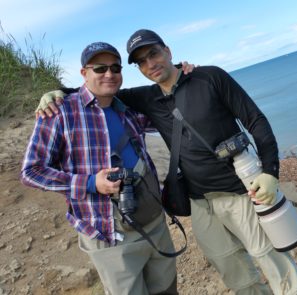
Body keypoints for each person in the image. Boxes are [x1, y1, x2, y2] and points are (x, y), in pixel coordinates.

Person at [37, 30, 297, 295]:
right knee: (231, 269)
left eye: (154, 53)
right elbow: (100, 90)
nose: (151, 63)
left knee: (272, 261)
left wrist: (270, 171)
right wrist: (58, 93)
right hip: (199, 201)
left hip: (240, 191)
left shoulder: (209, 77)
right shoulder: (147, 98)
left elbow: (255, 120)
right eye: (142, 61)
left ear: (168, 51)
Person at [21, 42, 179, 295]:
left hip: (154, 222)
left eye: (115, 68)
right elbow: (31, 171)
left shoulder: (129, 111)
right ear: (84, 73)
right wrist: (91, 183)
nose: (109, 74)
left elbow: (170, 105)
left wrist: (186, 73)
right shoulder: (60, 112)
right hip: (108, 234)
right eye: (100, 68)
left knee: (167, 289)